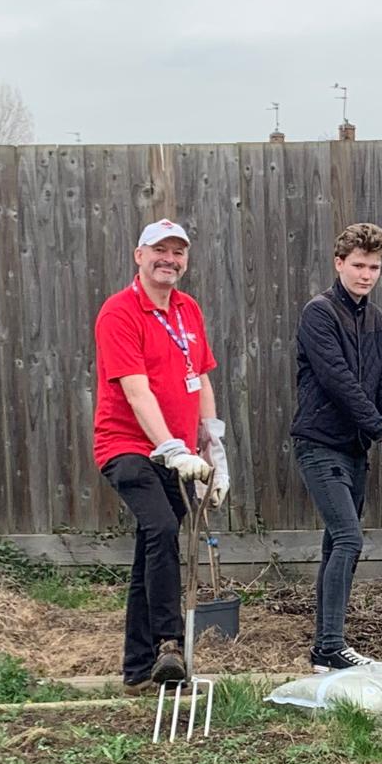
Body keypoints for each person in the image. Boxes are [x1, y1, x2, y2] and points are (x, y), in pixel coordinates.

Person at [93, 218, 230, 695]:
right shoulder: (119, 312)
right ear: (139, 255)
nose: (169, 260)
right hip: (126, 446)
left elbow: (203, 379)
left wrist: (215, 449)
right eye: (160, 251)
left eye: (178, 252)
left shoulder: (188, 309)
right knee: (163, 529)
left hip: (178, 454)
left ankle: (136, 669)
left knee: (150, 553)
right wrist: (171, 448)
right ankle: (170, 643)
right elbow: (135, 391)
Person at [291, 222, 382, 673]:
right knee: (348, 538)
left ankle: (325, 650)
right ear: (339, 263)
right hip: (318, 442)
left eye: (374, 267)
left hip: (354, 448)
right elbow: (338, 380)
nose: (366, 275)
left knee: (334, 546)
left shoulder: (376, 319)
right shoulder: (319, 313)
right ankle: (330, 645)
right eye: (358, 265)